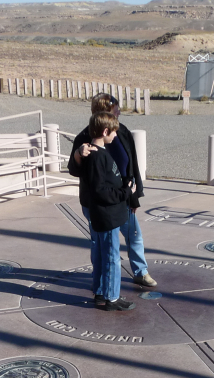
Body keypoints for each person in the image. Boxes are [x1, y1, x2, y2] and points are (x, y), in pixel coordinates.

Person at [68, 93, 156, 292]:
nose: (119, 112)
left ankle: (140, 272)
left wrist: (134, 196)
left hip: (123, 198)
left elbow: (132, 164)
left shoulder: (121, 131)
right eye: (115, 109)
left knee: (134, 235)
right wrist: (77, 154)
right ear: (102, 112)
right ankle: (100, 285)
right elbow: (74, 169)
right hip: (98, 204)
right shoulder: (84, 138)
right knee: (100, 245)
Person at [79, 111, 137, 312]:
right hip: (106, 216)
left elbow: (105, 182)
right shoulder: (97, 157)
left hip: (107, 215)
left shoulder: (99, 154)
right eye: (113, 132)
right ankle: (112, 298)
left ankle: (102, 293)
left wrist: (123, 184)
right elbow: (100, 191)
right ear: (105, 131)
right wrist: (126, 191)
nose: (115, 136)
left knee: (104, 255)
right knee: (112, 257)